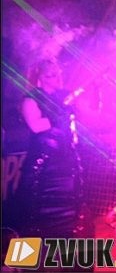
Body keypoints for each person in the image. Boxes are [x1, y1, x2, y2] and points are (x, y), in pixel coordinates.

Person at [14, 59, 88, 241]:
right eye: (51, 75)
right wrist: (57, 116)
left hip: (67, 169)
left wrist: (95, 91)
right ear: (41, 77)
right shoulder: (31, 98)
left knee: (69, 224)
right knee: (31, 222)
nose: (56, 78)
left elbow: (90, 115)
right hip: (42, 171)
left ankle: (63, 258)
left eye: (57, 73)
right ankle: (25, 259)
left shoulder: (65, 96)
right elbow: (35, 126)